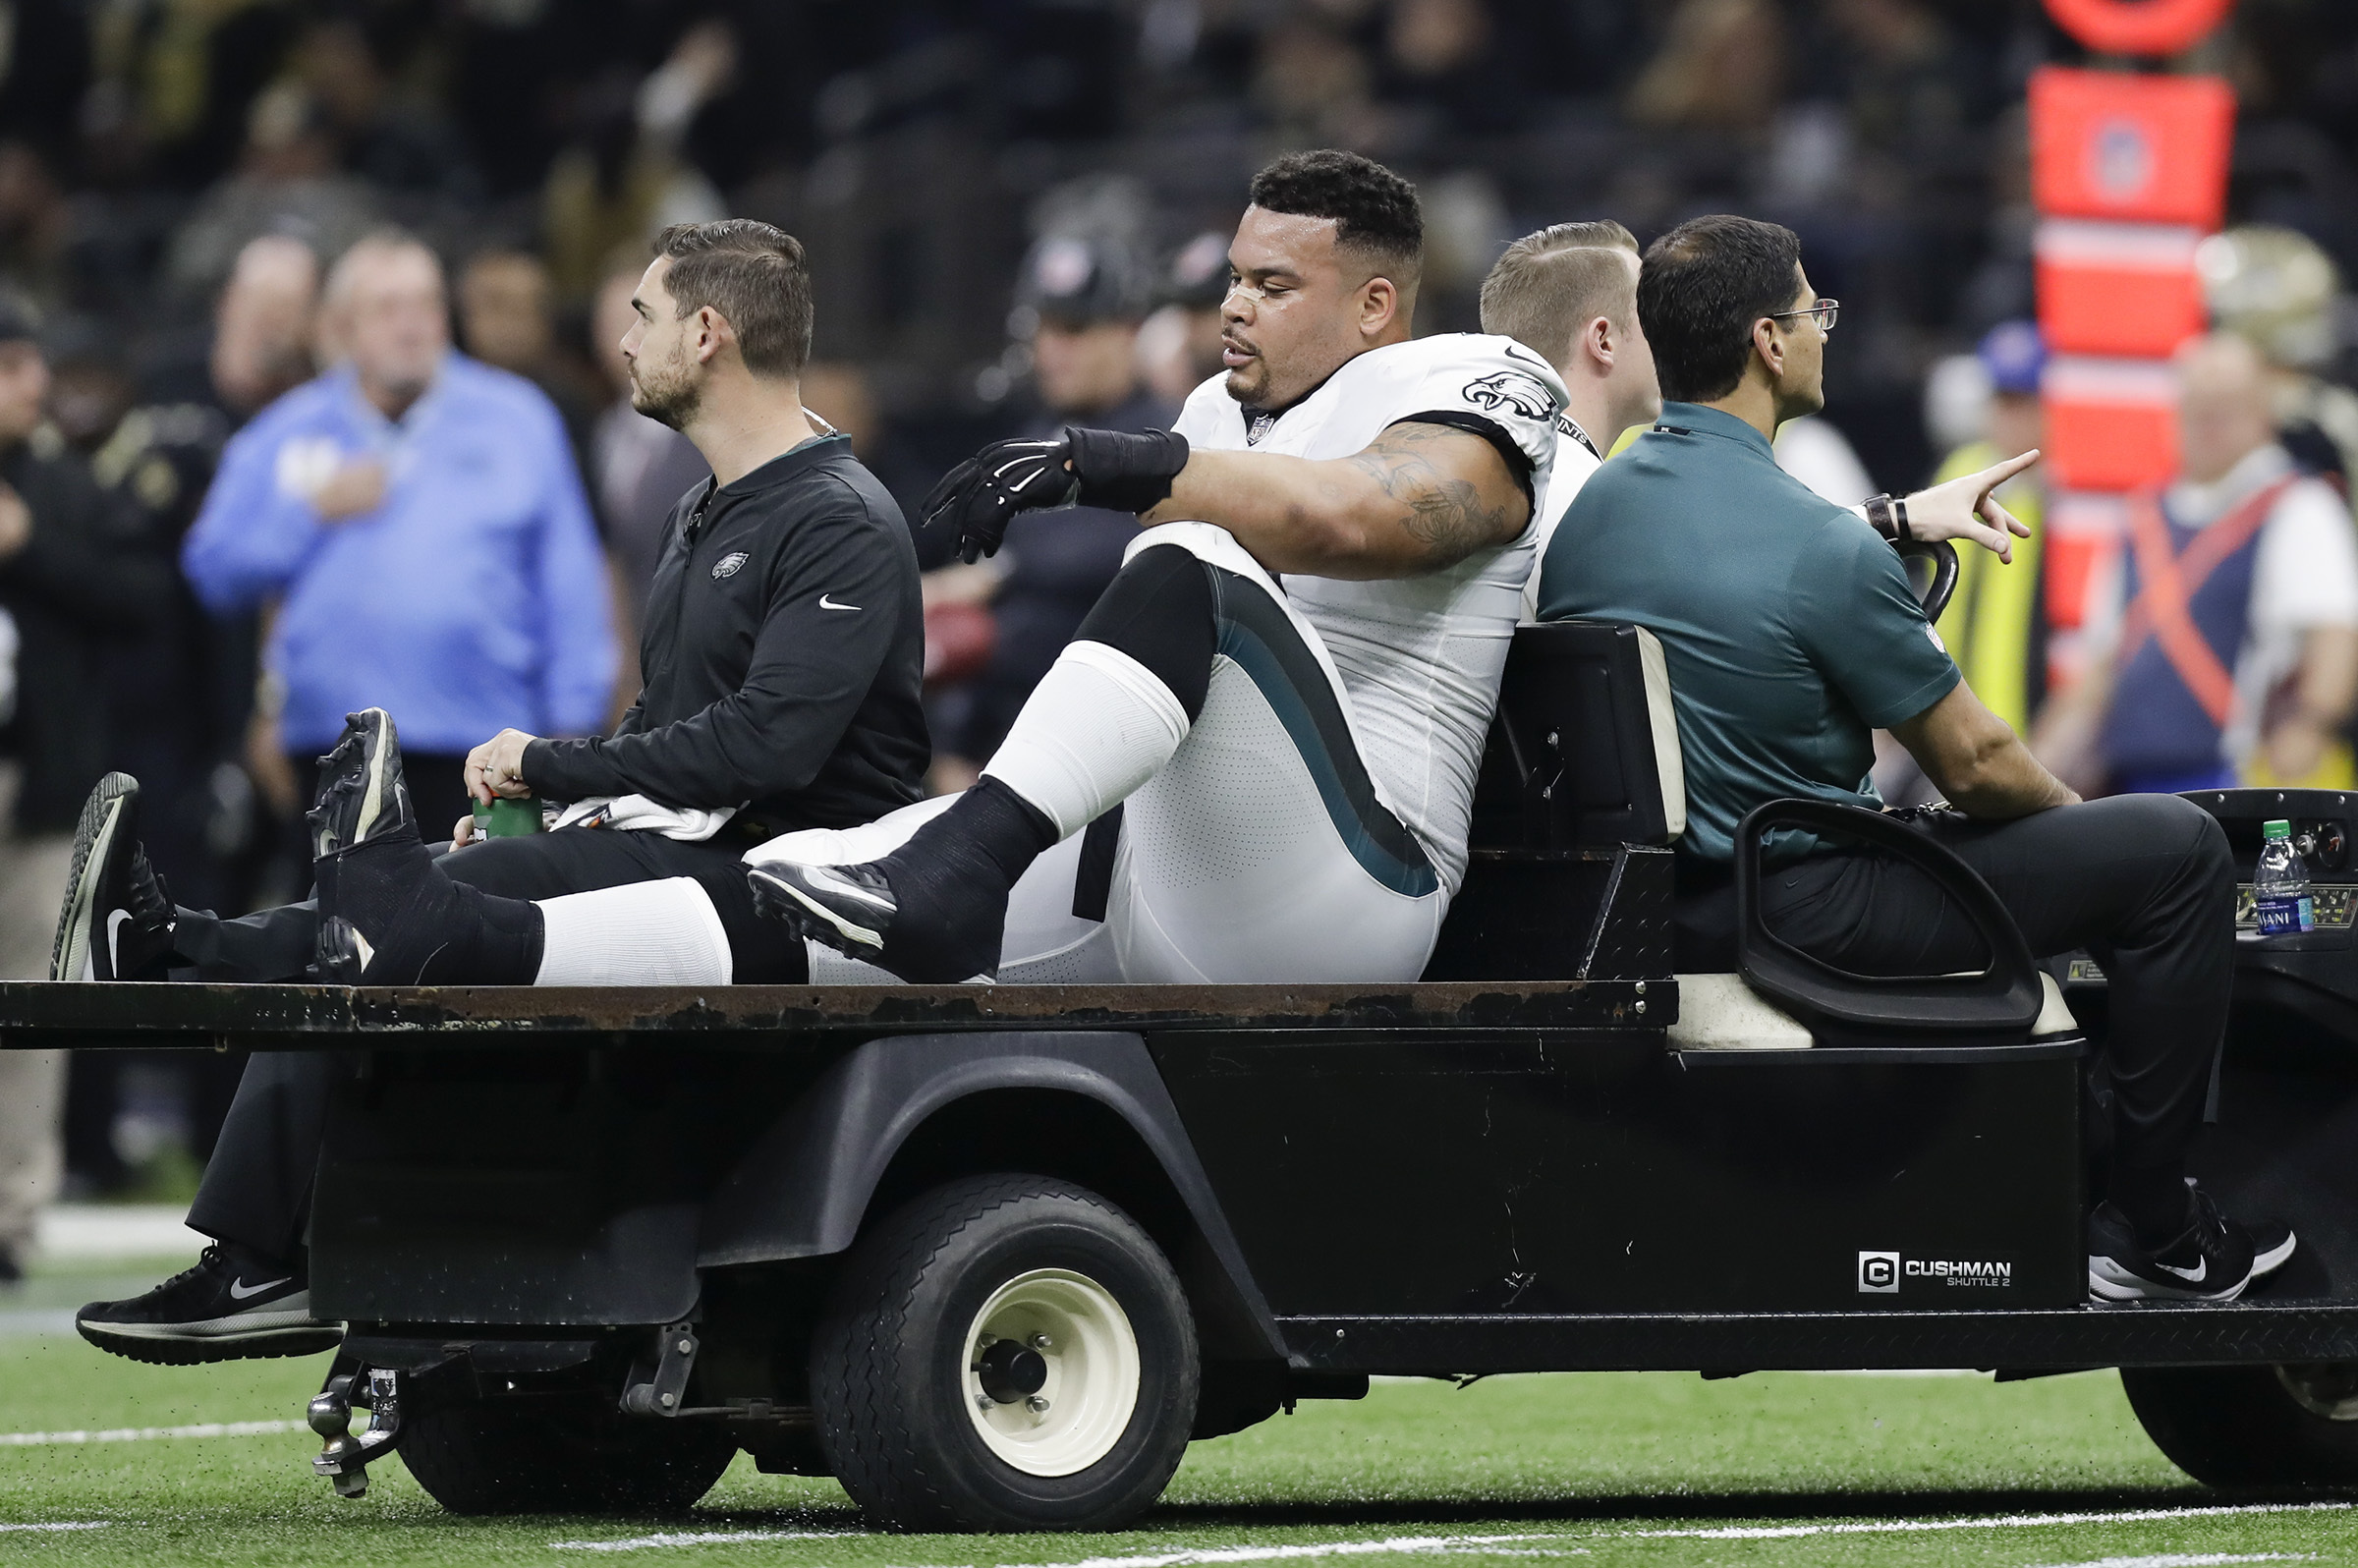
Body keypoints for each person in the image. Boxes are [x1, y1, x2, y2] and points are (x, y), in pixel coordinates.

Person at [746, 156, 2013, 987]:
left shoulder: (1549, 449)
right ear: (1607, 333)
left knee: (1195, 560)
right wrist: (1885, 523)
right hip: (1221, 832)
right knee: (768, 895)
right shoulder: (1559, 457)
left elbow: (1700, 555)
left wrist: (1886, 518)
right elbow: (1714, 563)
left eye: (1267, 281)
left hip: (1356, 860)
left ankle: (951, 862)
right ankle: (604, 902)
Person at [67, 219, 926, 1362]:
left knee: (414, 903)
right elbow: (669, 730)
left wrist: (550, 764)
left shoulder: (841, 518)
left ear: (709, 335)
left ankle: (200, 1050)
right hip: (695, 856)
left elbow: (765, 752)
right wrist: (561, 803)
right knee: (421, 890)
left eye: (643, 316)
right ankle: (182, 984)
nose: (621, 342)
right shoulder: (706, 508)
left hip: (796, 890)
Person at [1538, 213, 2294, 1304]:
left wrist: (1886, 523)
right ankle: (2154, 1228)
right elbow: (1979, 766)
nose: (1825, 334)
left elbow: (1743, 558)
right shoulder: (1820, 543)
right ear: (1768, 342)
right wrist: (2075, 826)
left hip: (1675, 899)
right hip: (1813, 903)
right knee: (2172, 850)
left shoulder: (1599, 509)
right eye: (1815, 313)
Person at [181, 230, 618, 842]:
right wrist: (310, 514)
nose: (411, 327)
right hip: (334, 750)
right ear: (341, 325)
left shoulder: (517, 419)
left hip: (487, 750)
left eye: (426, 306)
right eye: (387, 309)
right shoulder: (291, 428)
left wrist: (573, 729)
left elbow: (569, 581)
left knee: (482, 927)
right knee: (345, 933)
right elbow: (212, 569)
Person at [0, 301, 173, 1279]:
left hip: (36, 777)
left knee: (31, 1004)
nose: (36, 384)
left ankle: (11, 1220)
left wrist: (30, 548)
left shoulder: (63, 487)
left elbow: (142, 600)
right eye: (14, 366)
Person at [2035, 333, 2358, 798]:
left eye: (2225, 407)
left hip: (2239, 778)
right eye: (2198, 406)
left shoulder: (2298, 506)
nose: (2208, 423)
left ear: (2262, 410)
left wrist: (2310, 725)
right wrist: (2039, 760)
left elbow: (2334, 635)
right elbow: (2102, 664)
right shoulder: (2143, 516)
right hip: (2134, 782)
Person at [925, 233, 1177, 793]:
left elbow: (1086, 562)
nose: (1053, 350)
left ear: (1130, 329)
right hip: (996, 746)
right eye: (1043, 328)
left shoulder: (1169, 438)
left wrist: (998, 577)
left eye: (1076, 329)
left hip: (1116, 755)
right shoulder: (1028, 439)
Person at [1470, 219, 1659, 619]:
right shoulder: (1592, 506)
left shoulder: (1485, 465)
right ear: (1604, 341)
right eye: (1653, 316)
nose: (1668, 334)